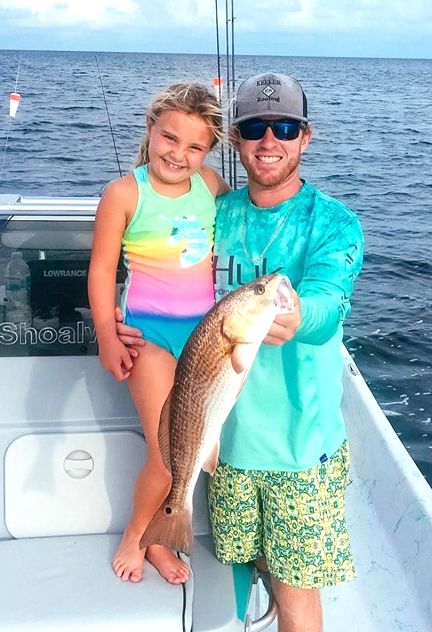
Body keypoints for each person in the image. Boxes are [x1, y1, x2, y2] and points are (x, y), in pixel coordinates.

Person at [116, 73, 363, 632]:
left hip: (299, 452)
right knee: (247, 573)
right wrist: (119, 312)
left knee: (296, 598)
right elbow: (162, 259)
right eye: (254, 127)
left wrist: (299, 318)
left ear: (305, 136)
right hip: (223, 443)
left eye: (285, 128)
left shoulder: (334, 223)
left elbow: (328, 305)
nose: (269, 141)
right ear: (235, 139)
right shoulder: (217, 209)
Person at [88, 82, 229, 584]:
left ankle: (158, 539)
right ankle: (138, 537)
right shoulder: (125, 193)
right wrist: (107, 335)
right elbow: (101, 270)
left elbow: (245, 223)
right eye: (169, 138)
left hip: (205, 339)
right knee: (168, 454)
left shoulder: (210, 185)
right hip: (148, 339)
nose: (178, 154)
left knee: (196, 447)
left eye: (195, 146)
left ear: (208, 152)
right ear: (150, 130)